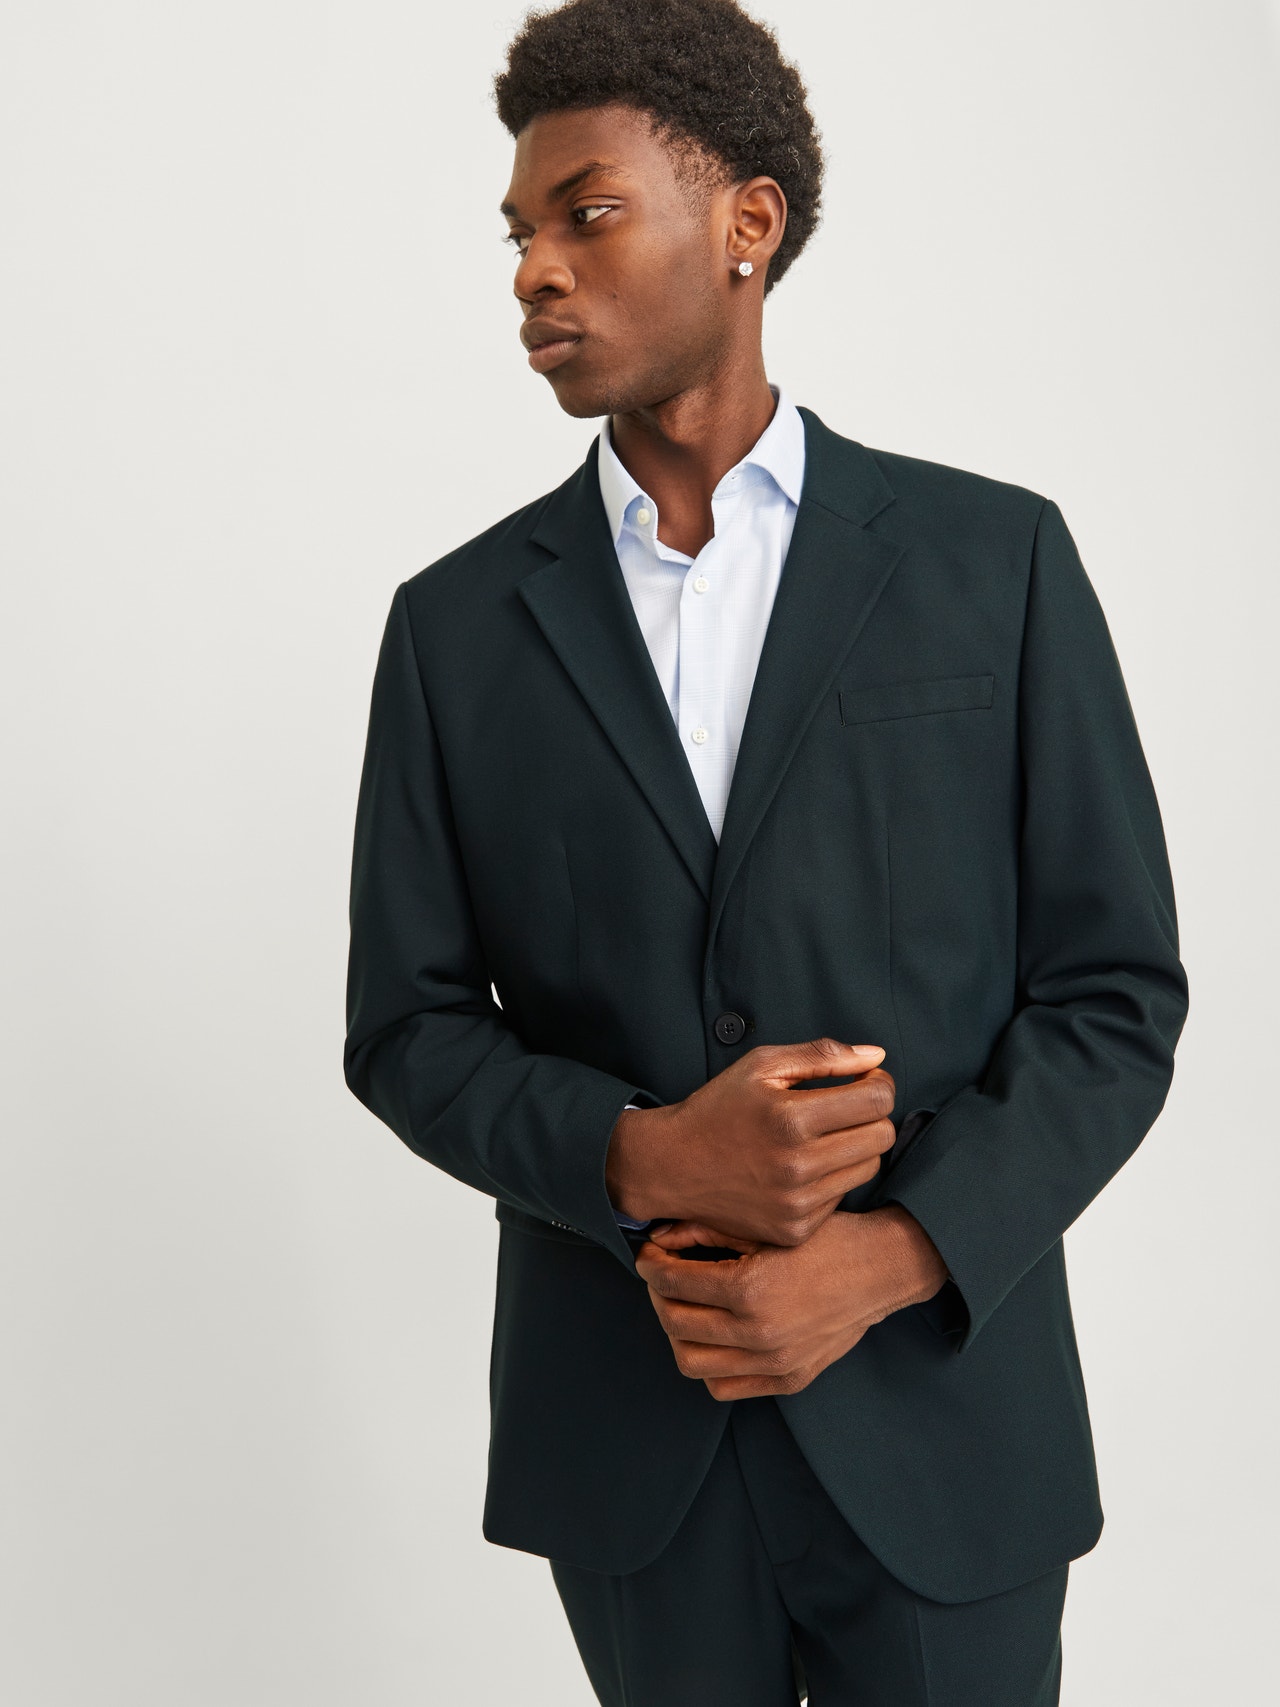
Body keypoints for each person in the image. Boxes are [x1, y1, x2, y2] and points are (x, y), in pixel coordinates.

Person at [343, 1, 1189, 1700]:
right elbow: (406, 1031)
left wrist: (891, 1258)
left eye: (588, 214)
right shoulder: (454, 632)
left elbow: (1115, 998)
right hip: (633, 1446)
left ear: (748, 224)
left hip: (946, 1423)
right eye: (519, 234)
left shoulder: (996, 564)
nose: (535, 271)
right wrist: (646, 1159)